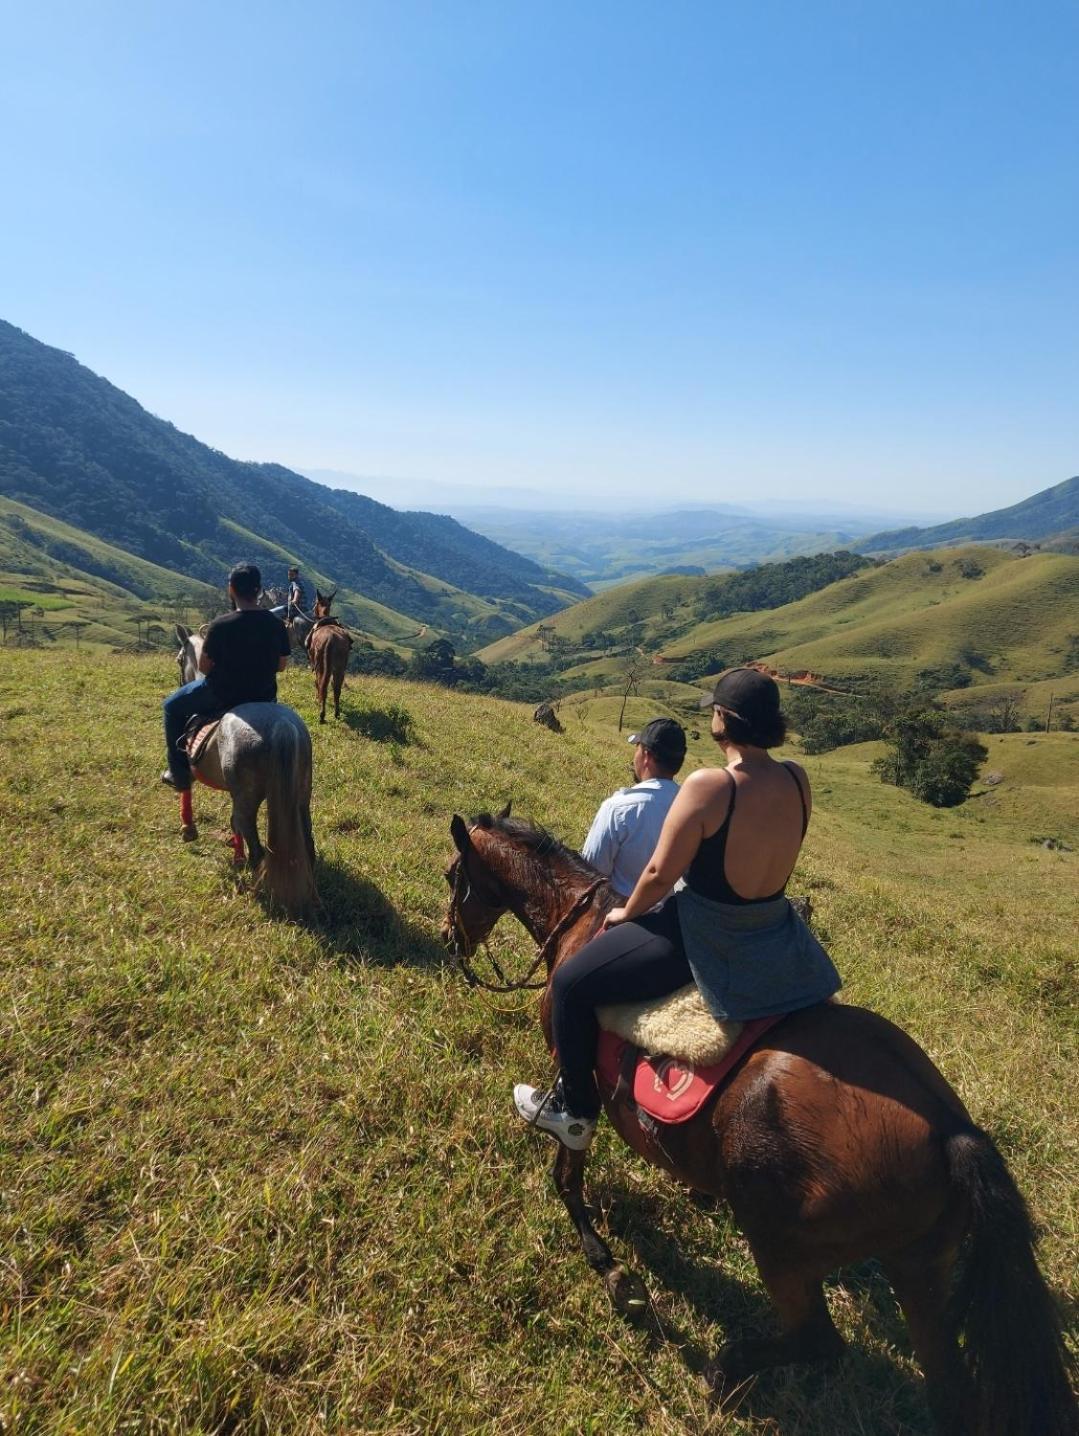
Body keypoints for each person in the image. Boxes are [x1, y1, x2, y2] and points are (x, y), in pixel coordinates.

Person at [514, 667, 841, 1150]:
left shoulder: (713, 786)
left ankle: (574, 1111)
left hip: (707, 932)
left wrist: (627, 913)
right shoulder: (797, 777)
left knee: (569, 984)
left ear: (723, 719)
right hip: (776, 928)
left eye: (715, 711)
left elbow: (658, 874)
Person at [161, 562, 290, 790]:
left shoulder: (220, 625)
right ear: (259, 590)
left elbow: (204, 667)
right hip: (264, 697)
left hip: (221, 694)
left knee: (171, 706)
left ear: (231, 589)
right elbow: (281, 666)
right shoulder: (275, 624)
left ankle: (179, 774)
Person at [581, 718, 686, 901]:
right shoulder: (689, 806)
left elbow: (590, 874)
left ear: (646, 755)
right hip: (670, 912)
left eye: (637, 747)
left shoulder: (618, 809)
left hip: (616, 910)